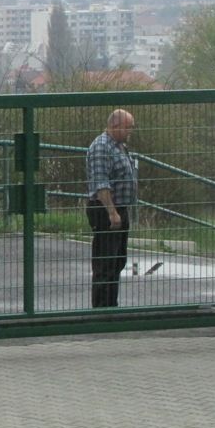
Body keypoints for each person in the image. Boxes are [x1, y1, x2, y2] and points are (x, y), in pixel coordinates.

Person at [85, 109, 138, 308]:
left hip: (119, 209)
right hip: (106, 210)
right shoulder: (101, 147)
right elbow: (101, 183)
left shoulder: (119, 146)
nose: (130, 131)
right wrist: (112, 212)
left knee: (117, 260)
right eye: (128, 127)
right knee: (105, 262)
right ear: (115, 126)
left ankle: (111, 305)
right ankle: (101, 308)